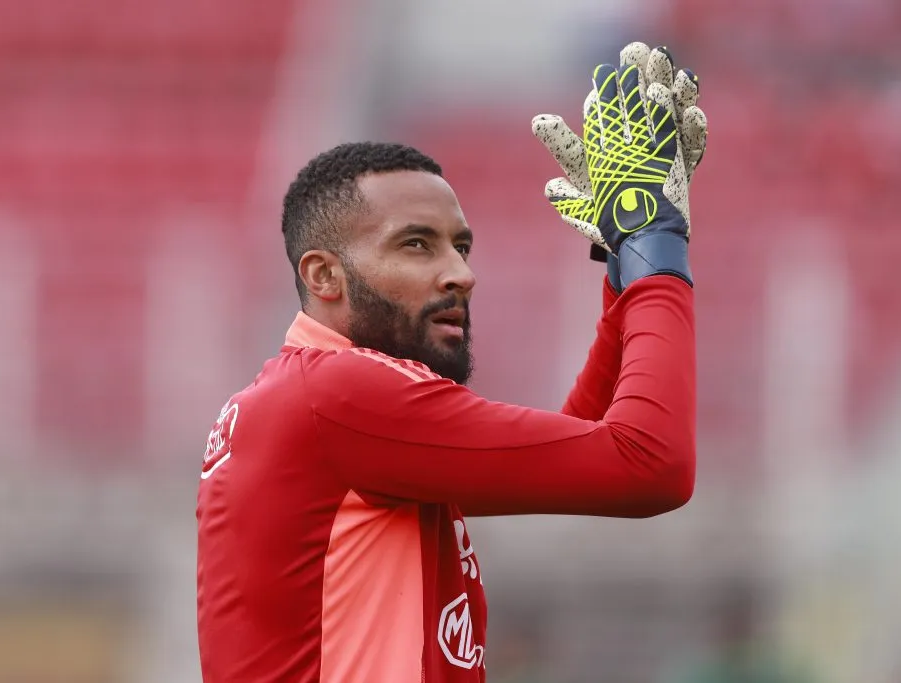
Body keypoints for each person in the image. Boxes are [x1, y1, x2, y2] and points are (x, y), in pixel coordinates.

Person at [195, 41, 707, 683]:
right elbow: (649, 466)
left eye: (461, 246)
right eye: (417, 246)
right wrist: (658, 248)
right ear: (325, 275)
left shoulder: (312, 402)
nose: (460, 274)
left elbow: (579, 448)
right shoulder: (345, 395)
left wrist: (623, 273)